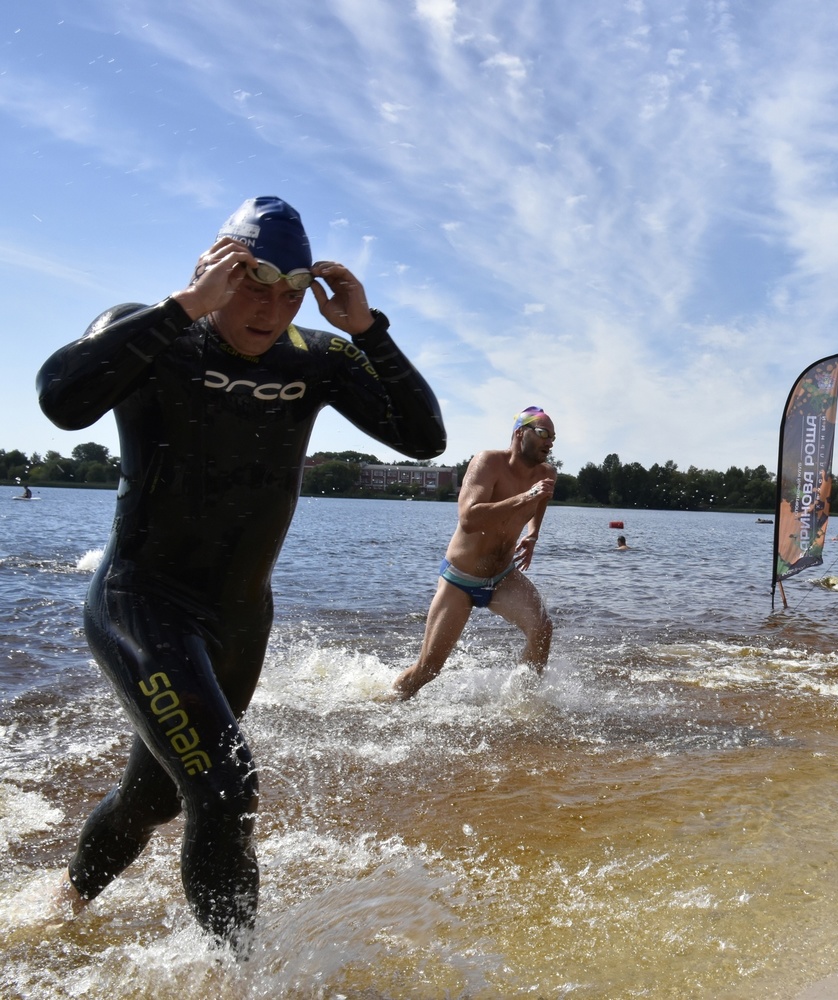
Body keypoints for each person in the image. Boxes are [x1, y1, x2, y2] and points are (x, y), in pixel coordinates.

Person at [36, 197, 446, 951]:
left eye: (289, 289)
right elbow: (61, 402)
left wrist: (368, 330)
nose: (270, 306)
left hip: (238, 621)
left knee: (153, 796)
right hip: (141, 603)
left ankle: (60, 904)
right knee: (226, 788)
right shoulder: (156, 332)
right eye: (253, 283)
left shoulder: (317, 357)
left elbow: (423, 438)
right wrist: (183, 306)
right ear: (218, 268)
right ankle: (241, 977)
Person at [392, 407, 557, 699]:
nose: (550, 442)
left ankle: (522, 704)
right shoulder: (488, 462)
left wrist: (533, 535)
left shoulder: (545, 473)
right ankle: (387, 701)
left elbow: (541, 499)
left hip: (503, 577)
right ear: (521, 432)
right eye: (543, 433)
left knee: (542, 629)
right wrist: (526, 497)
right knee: (428, 670)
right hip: (460, 580)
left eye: (553, 437)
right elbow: (469, 518)